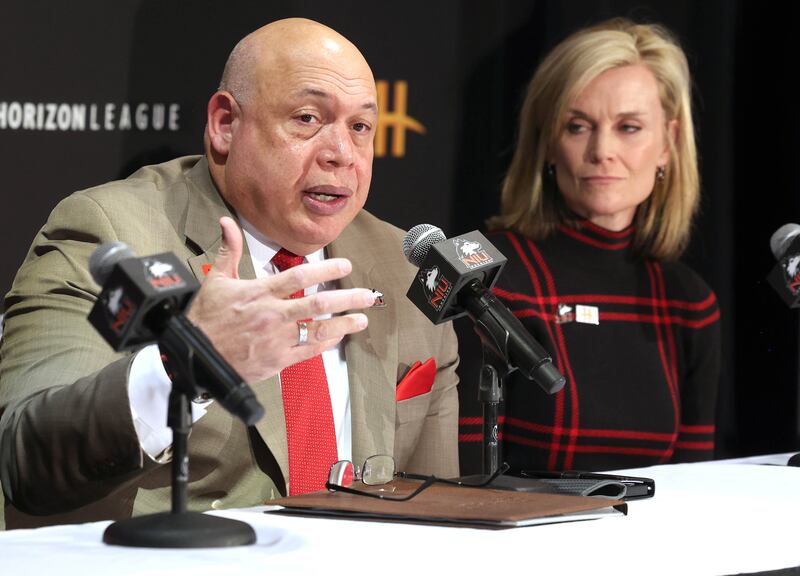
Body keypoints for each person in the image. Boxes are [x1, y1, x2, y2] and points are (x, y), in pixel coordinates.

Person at [0, 18, 459, 528]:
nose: (342, 155)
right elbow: (24, 458)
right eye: (308, 119)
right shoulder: (112, 233)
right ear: (225, 125)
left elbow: (436, 515)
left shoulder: (400, 263)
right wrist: (185, 363)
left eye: (360, 127)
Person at [467, 19, 720, 472]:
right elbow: (459, 473)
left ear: (669, 143)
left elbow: (692, 486)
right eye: (578, 126)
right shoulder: (487, 275)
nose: (602, 150)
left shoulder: (689, 300)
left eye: (628, 127)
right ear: (547, 143)